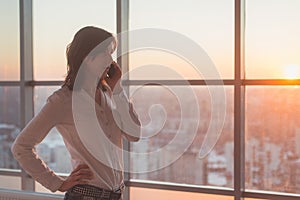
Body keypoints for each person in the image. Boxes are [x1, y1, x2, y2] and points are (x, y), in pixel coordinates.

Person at [11, 26, 141, 200]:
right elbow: (21, 147)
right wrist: (57, 183)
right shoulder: (62, 101)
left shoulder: (109, 94)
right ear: (87, 57)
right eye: (106, 53)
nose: (111, 60)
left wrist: (117, 90)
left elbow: (134, 134)